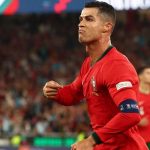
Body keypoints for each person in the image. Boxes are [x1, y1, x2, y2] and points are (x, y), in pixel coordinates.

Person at [43, 1, 148, 150]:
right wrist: (55, 92)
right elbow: (72, 94)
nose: (81, 24)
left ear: (107, 27)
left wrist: (91, 140)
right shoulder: (89, 64)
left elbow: (130, 114)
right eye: (81, 19)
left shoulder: (116, 65)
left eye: (89, 19)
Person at [137, 66, 150, 149]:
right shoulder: (131, 94)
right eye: (148, 73)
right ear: (140, 76)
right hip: (134, 138)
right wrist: (136, 120)